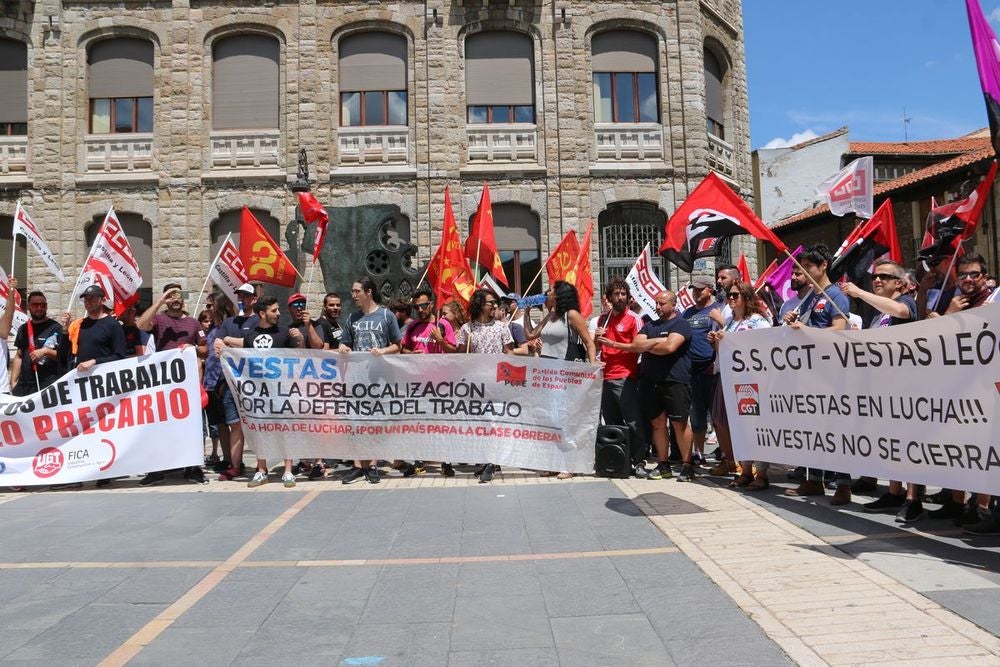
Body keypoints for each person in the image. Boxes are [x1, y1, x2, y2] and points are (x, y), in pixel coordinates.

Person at [842, 261, 921, 521]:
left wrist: (860, 293)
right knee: (892, 444)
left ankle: (913, 499)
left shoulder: (907, 301)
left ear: (899, 283)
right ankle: (894, 492)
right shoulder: (877, 313)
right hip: (881, 389)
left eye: (884, 277)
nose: (877, 280)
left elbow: (901, 311)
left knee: (908, 443)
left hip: (905, 387)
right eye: (875, 277)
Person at [604, 290, 695, 482]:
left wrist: (653, 345)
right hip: (650, 381)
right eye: (656, 303)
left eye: (662, 303)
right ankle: (663, 465)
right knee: (657, 423)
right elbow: (637, 345)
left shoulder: (681, 324)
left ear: (673, 305)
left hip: (675, 380)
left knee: (679, 423)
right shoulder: (649, 325)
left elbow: (670, 348)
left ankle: (687, 465)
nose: (658, 307)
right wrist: (660, 340)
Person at [784, 243, 851, 504]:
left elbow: (839, 330)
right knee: (812, 428)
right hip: (809, 372)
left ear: (823, 266)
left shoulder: (836, 295)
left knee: (835, 428)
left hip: (830, 374)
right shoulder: (810, 297)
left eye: (808, 267)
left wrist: (807, 331)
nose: (804, 273)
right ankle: (814, 480)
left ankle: (843, 484)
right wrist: (794, 322)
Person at [221, 296, 304, 488]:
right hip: (257, 393)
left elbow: (299, 356)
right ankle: (261, 470)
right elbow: (242, 358)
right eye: (274, 311)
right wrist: (224, 350)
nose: (278, 313)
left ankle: (288, 470)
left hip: (281, 391)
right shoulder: (250, 336)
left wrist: (298, 338)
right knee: (260, 431)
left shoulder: (285, 333)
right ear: (262, 313)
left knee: (285, 430)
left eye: (277, 310)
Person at [137, 283, 208, 485]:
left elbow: (205, 350)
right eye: (171, 296)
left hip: (187, 384)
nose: (175, 299)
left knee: (192, 425)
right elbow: (141, 325)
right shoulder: (159, 319)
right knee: (159, 426)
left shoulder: (194, 323)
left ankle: (193, 467)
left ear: (183, 297)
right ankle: (157, 469)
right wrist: (160, 302)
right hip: (164, 384)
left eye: (178, 295)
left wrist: (193, 347)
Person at [706, 281, 772, 490]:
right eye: (729, 296)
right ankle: (745, 470)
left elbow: (767, 348)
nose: (731, 299)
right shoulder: (730, 323)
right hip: (733, 382)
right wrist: (717, 340)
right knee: (738, 427)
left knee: (756, 427)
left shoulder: (758, 322)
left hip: (753, 382)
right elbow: (723, 353)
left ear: (746, 297)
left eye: (735, 295)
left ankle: (761, 474)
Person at [338, 276, 402, 484]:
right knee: (356, 422)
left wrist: (382, 350)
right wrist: (343, 348)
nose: (353, 295)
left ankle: (373, 463)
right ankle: (358, 465)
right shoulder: (352, 318)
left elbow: (397, 345)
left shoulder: (386, 315)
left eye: (357, 291)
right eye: (352, 291)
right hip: (357, 379)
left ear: (369, 292)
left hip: (379, 378)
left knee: (375, 421)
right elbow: (344, 344)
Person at [455, 289, 514, 483]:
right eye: (491, 302)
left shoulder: (501, 327)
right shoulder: (467, 329)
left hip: (496, 383)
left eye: (496, 303)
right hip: (475, 384)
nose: (495, 306)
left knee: (493, 422)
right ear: (480, 304)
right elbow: (460, 356)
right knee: (479, 423)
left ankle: (491, 462)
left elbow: (509, 353)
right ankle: (484, 459)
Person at [594, 278, 649, 478]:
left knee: (633, 422)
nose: (620, 297)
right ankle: (620, 461)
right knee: (612, 422)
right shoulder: (602, 319)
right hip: (605, 376)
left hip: (625, 376)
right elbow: (598, 346)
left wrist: (613, 344)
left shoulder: (633, 318)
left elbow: (638, 347)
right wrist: (596, 339)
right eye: (616, 294)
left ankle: (640, 459)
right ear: (609, 298)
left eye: (623, 294)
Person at [401, 288, 457, 477]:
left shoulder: (443, 324)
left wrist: (440, 340)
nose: (420, 309)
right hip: (418, 383)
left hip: (441, 382)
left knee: (442, 423)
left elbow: (453, 351)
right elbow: (403, 350)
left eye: (423, 305)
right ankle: (419, 461)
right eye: (416, 307)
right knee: (419, 423)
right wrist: (411, 354)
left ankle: (446, 461)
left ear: (431, 304)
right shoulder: (412, 326)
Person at [211, 282, 260, 482]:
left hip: (256, 382)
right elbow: (218, 346)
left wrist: (230, 341)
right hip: (232, 383)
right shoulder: (229, 323)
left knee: (258, 424)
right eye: (239, 295)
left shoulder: (260, 320)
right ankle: (235, 465)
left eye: (247, 296)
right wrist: (228, 342)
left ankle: (261, 464)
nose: (242, 299)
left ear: (254, 299)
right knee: (235, 425)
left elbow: (256, 343)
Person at [683, 276, 722, 469]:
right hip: (692, 370)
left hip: (712, 368)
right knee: (696, 414)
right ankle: (699, 452)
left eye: (700, 289)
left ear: (710, 290)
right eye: (694, 290)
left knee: (717, 415)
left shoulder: (717, 310)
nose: (696, 293)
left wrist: (714, 362)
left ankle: (725, 452)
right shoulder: (687, 313)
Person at [11, 289, 65, 396]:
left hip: (47, 384)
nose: (39, 308)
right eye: (35, 305)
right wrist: (13, 381)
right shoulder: (23, 328)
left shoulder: (56, 328)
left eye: (43, 305)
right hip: (24, 385)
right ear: (29, 306)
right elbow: (19, 355)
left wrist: (46, 351)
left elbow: (63, 357)